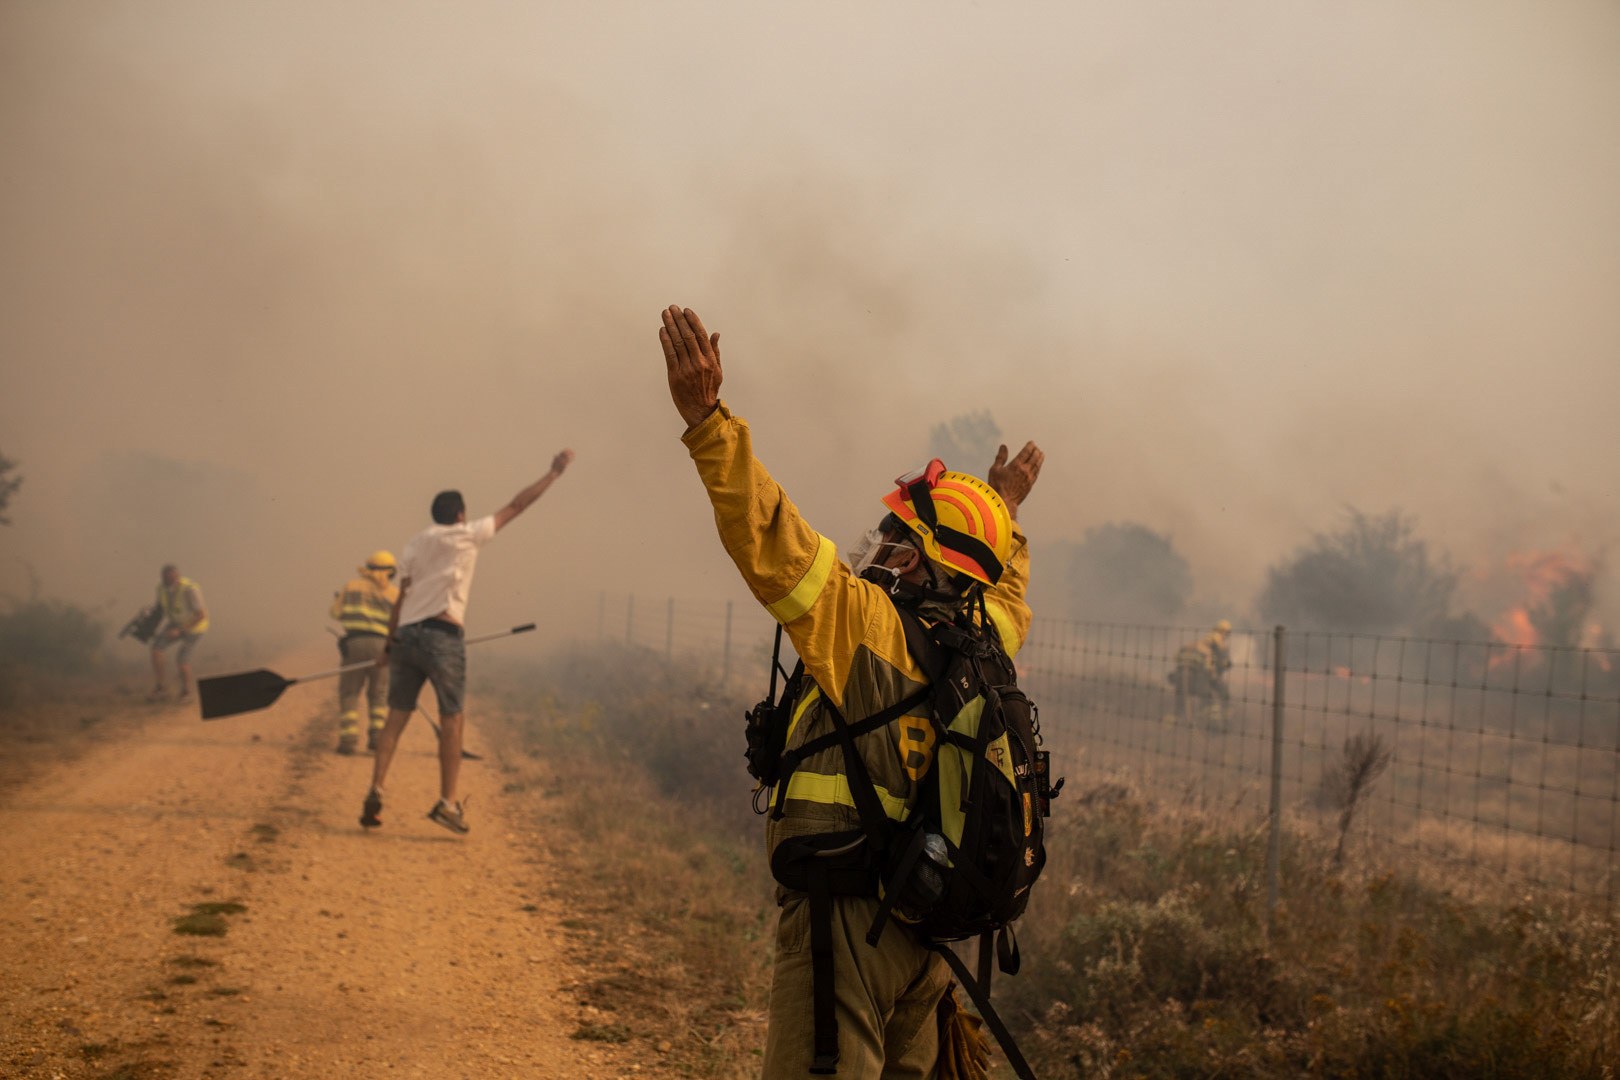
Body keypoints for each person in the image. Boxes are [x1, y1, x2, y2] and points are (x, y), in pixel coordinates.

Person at [658, 305, 1045, 1076]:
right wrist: (1002, 513)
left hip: (847, 934)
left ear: (911, 559)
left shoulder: (860, 622)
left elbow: (770, 536)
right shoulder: (988, 642)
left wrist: (708, 421)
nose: (878, 542)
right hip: (926, 945)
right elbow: (1005, 588)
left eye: (894, 533)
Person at [361, 450, 574, 834]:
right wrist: (554, 473)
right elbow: (518, 504)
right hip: (443, 637)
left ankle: (376, 788)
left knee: (395, 717)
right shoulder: (468, 534)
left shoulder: (414, 544)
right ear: (460, 514)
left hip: (407, 635)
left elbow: (403, 597)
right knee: (452, 718)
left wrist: (388, 645)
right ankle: (447, 803)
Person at [329, 550, 400, 755]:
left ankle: (348, 741)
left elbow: (335, 613)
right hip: (382, 648)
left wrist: (340, 600)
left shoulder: (351, 587)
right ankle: (377, 739)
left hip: (354, 644)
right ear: (391, 572)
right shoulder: (394, 594)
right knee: (378, 693)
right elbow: (401, 623)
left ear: (368, 568)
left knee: (350, 692)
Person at [149, 564, 208, 704]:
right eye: (165, 579)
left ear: (177, 577)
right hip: (176, 624)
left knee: (182, 659)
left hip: (195, 628)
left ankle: (186, 692)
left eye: (171, 579)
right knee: (156, 649)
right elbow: (161, 610)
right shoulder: (161, 588)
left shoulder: (190, 589)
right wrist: (149, 626)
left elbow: (201, 615)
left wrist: (180, 631)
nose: (168, 582)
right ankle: (161, 686)